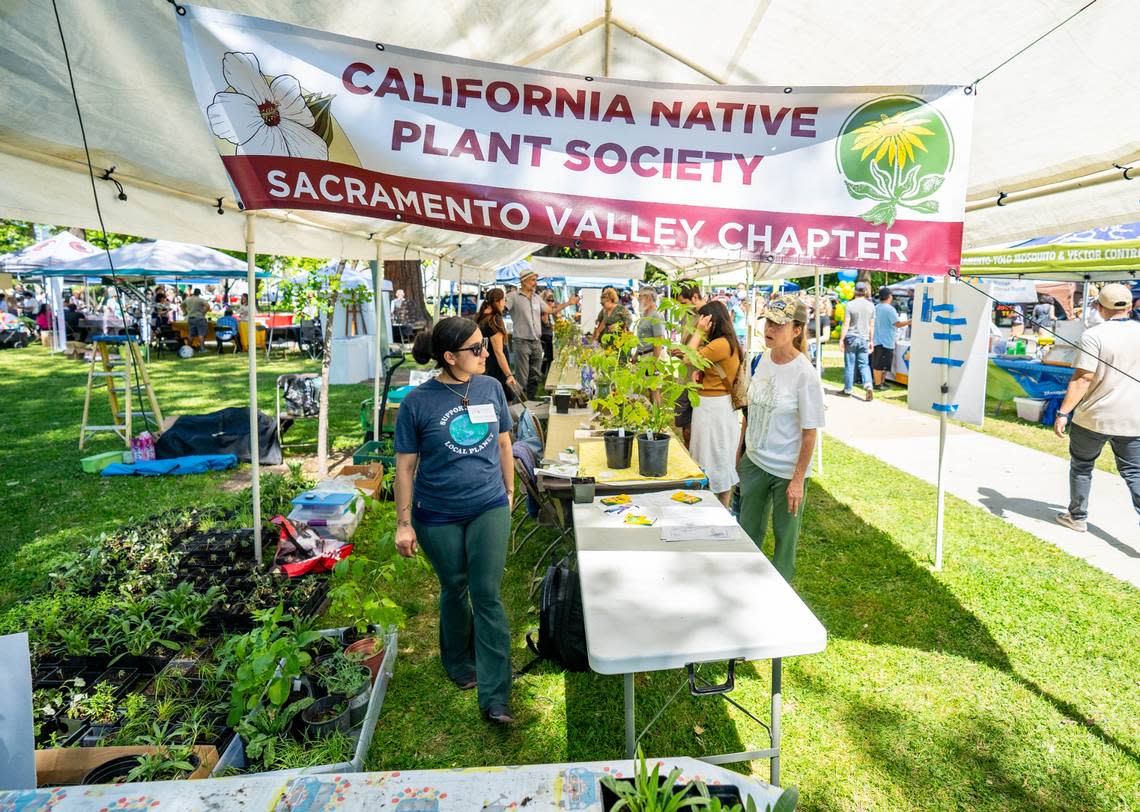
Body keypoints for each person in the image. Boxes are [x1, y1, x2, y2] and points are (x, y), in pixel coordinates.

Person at [393, 317, 516, 725]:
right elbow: (406, 468)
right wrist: (404, 523)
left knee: (486, 594)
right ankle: (459, 662)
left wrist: (510, 492)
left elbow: (503, 443)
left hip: (488, 505)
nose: (486, 353)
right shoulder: (417, 403)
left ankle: (495, 695)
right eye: (476, 349)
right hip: (438, 513)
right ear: (449, 357)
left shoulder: (491, 388)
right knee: (454, 586)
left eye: (484, 345)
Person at [737, 294, 824, 581]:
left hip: (787, 472)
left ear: (796, 330)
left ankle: (781, 597)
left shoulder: (805, 375)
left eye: (779, 324)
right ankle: (747, 584)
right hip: (755, 463)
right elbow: (751, 411)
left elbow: (810, 432)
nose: (770, 329)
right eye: (768, 322)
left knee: (784, 541)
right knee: (748, 532)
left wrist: (798, 479)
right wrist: (742, 454)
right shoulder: (760, 361)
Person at [1053, 283, 1140, 532]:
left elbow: (1083, 379)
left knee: (1082, 466)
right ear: (1130, 306)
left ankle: (1077, 517)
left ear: (1100, 307)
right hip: (1134, 418)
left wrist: (1063, 413)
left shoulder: (1094, 335)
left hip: (1093, 417)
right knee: (1135, 474)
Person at [687, 300, 742, 506]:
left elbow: (688, 356)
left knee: (711, 455)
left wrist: (699, 333)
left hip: (713, 409)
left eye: (702, 320)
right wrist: (700, 373)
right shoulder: (728, 342)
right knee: (719, 456)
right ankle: (722, 507)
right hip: (718, 407)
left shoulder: (720, 344)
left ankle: (711, 505)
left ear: (711, 321)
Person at [504, 270, 578, 400]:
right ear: (524, 281)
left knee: (535, 376)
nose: (535, 283)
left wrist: (569, 303)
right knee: (522, 378)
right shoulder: (513, 296)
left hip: (536, 342)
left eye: (535, 280)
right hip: (521, 341)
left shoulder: (537, 298)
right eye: (533, 280)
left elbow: (551, 310)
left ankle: (530, 402)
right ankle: (518, 406)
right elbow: (500, 309)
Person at [672, 282, 708, 446]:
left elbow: (711, 349)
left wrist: (687, 353)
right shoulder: (687, 315)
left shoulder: (707, 316)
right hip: (684, 379)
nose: (681, 307)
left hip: (696, 383)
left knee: (694, 430)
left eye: (683, 303)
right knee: (685, 427)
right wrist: (680, 352)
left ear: (695, 297)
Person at [475, 288, 518, 402]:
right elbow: (499, 352)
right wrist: (509, 375)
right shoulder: (494, 320)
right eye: (504, 300)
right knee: (505, 403)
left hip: (485, 366)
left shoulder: (480, 317)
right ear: (498, 301)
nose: (505, 303)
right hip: (497, 369)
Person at [839, 281, 875, 400]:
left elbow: (846, 324)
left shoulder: (850, 305)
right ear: (865, 292)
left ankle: (848, 389)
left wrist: (841, 340)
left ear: (855, 291)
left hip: (851, 337)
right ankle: (868, 385)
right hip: (864, 339)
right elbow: (871, 325)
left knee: (850, 365)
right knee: (864, 365)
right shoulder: (871, 306)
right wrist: (871, 341)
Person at [872, 288, 910, 390]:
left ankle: (881, 383)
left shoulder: (876, 307)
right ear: (889, 296)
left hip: (877, 339)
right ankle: (878, 384)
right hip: (886, 341)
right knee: (881, 365)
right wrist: (909, 321)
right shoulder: (889, 309)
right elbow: (897, 324)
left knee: (881, 364)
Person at [634, 288, 666, 361]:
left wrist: (654, 364)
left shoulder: (656, 316)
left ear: (648, 297)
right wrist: (636, 355)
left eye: (640, 296)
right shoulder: (645, 315)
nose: (638, 299)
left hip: (651, 357)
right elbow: (642, 340)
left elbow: (659, 341)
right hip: (643, 357)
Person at [183, 287, 209, 353]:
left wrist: (185, 312)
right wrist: (204, 312)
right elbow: (208, 306)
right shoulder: (200, 300)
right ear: (199, 294)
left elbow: (181, 305)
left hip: (191, 318)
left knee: (191, 334)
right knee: (201, 334)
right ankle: (202, 349)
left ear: (193, 293)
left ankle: (188, 349)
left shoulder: (187, 299)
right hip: (200, 318)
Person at [539, 289, 555, 377]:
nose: (551, 302)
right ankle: (547, 375)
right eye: (548, 300)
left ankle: (543, 372)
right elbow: (545, 322)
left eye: (552, 300)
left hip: (548, 335)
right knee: (549, 357)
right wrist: (547, 310)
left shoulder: (548, 310)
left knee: (547, 356)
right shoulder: (544, 310)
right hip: (545, 336)